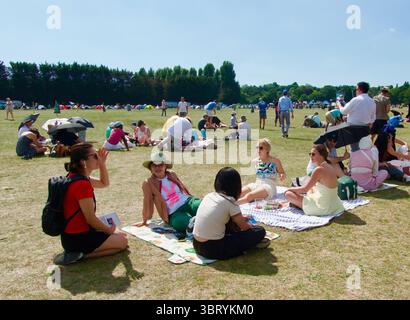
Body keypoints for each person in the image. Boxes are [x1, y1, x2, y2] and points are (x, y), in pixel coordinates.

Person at [54, 143, 128, 265]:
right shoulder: (81, 184)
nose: (98, 157)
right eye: (94, 156)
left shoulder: (76, 177)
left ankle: (78, 252)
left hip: (73, 235)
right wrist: (109, 231)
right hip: (78, 237)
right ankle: (81, 255)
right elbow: (90, 219)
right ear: (83, 162)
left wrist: (102, 164)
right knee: (122, 242)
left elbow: (104, 183)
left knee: (120, 233)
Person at [193, 167, 269, 260]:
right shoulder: (230, 202)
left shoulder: (209, 196)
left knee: (232, 226)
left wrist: (240, 219)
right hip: (214, 250)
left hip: (196, 244)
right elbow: (244, 227)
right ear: (236, 186)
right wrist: (251, 227)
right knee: (259, 231)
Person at [137, 153, 202, 233]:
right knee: (180, 222)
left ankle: (201, 220)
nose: (157, 168)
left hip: (187, 201)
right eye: (154, 165)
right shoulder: (148, 183)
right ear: (150, 168)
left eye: (161, 165)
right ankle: (196, 224)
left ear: (165, 166)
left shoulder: (172, 174)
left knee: (201, 205)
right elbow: (147, 201)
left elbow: (183, 189)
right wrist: (145, 219)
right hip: (173, 212)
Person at [285, 145, 345, 216]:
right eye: (310, 154)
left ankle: (298, 205)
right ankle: (296, 203)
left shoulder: (319, 169)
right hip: (335, 205)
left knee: (288, 194)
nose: (311, 156)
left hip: (322, 207)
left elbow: (304, 189)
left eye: (313, 154)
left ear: (321, 155)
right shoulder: (330, 166)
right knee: (310, 190)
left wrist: (289, 189)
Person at [238, 139, 286, 204]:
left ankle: (232, 206)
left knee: (250, 196)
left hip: (269, 186)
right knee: (238, 193)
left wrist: (282, 175)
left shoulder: (275, 161)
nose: (258, 150)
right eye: (257, 147)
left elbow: (282, 172)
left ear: (267, 149)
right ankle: (228, 204)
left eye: (261, 148)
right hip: (257, 184)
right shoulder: (255, 161)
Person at [339, 82, 376, 151]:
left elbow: (344, 111)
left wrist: (339, 106)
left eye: (356, 89)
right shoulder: (372, 101)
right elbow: (373, 118)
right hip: (366, 128)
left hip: (353, 128)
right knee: (363, 148)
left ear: (359, 89)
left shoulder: (356, 99)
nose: (355, 91)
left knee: (354, 150)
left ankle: (355, 161)